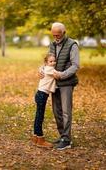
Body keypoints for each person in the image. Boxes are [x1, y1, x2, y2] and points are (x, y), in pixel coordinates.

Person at [41, 22, 79, 150]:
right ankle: (63, 136)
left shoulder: (72, 45)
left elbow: (75, 65)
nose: (56, 37)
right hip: (54, 83)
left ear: (64, 32)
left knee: (66, 111)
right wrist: (42, 69)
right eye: (54, 35)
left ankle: (67, 140)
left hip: (66, 82)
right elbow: (47, 61)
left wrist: (62, 75)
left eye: (58, 35)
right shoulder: (52, 44)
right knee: (56, 111)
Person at [31, 53, 56, 148]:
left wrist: (41, 68)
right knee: (40, 117)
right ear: (46, 62)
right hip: (42, 95)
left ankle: (35, 136)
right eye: (51, 61)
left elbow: (43, 68)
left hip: (40, 94)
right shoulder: (50, 69)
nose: (53, 63)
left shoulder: (45, 67)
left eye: (54, 61)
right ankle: (40, 139)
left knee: (38, 116)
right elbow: (58, 75)